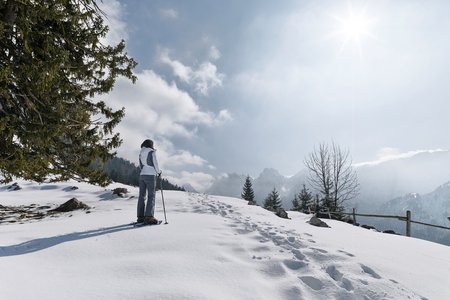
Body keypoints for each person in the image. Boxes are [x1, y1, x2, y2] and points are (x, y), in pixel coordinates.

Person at [137, 139, 161, 224]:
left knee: (141, 196)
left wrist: (143, 171)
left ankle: (140, 217)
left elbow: (140, 165)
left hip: (142, 175)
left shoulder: (141, 153)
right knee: (151, 195)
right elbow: (155, 163)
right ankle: (149, 216)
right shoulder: (151, 152)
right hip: (150, 175)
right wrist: (158, 172)